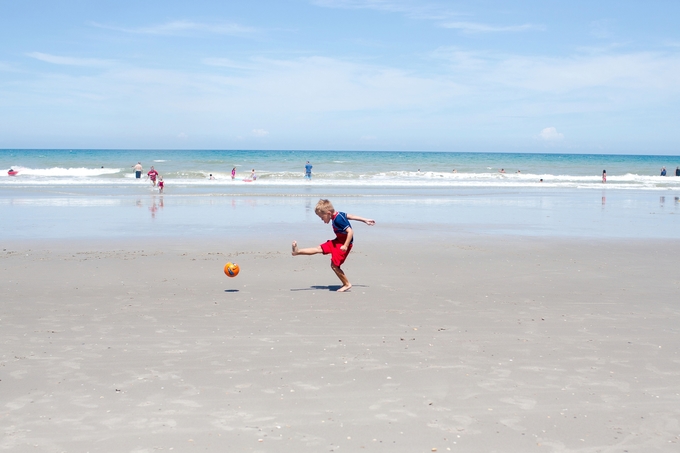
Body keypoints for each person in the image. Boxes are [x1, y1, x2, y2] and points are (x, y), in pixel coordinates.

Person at [292, 199, 375, 292]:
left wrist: (345, 246)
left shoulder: (338, 219)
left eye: (322, 217)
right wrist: (365, 220)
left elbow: (350, 232)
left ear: (328, 213)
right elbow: (350, 216)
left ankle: (347, 284)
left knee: (334, 265)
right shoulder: (337, 215)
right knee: (319, 248)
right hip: (338, 241)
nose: (322, 220)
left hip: (343, 244)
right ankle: (297, 252)